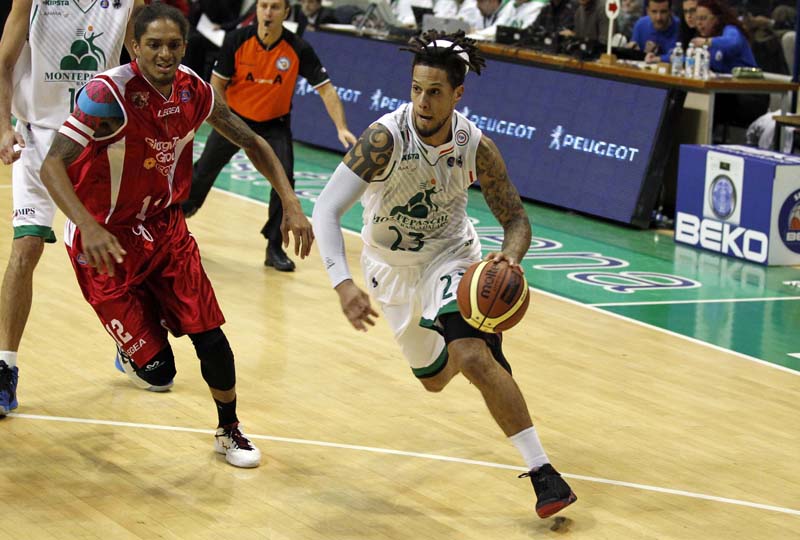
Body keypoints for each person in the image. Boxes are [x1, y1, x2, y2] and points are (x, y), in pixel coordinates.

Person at [311, 30, 578, 519]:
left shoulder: (475, 146)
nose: (422, 101)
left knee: (472, 357)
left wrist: (510, 258)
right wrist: (343, 283)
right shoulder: (383, 139)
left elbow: (516, 219)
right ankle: (470, 341)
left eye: (434, 91)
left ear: (458, 94)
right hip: (389, 270)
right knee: (434, 379)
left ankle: (544, 473)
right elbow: (326, 210)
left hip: (451, 258)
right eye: (416, 89)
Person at [39, 3, 313, 467]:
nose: (164, 54)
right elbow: (52, 164)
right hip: (104, 239)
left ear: (184, 47)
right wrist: (87, 224)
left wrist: (290, 202)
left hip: (166, 231)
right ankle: (135, 347)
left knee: (211, 335)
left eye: (173, 45)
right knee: (160, 371)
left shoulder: (196, 91)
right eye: (153, 45)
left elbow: (253, 141)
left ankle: (229, 430)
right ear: (133, 47)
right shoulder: (106, 95)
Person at [0, 0, 144, 417]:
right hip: (37, 136)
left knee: (118, 254)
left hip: (97, 141)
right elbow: (4, 62)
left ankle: (132, 342)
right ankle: (5, 366)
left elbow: (142, 61)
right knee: (25, 250)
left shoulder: (127, 3)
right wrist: (2, 127)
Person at [182, 0, 356, 272]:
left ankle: (274, 247)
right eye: (263, 6)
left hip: (274, 125)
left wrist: (341, 127)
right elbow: (217, 84)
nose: (268, 12)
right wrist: (221, 117)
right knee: (202, 173)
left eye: (275, 7)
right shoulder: (237, 40)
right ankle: (178, 223)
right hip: (234, 120)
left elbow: (327, 89)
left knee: (284, 179)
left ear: (286, 13)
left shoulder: (298, 47)